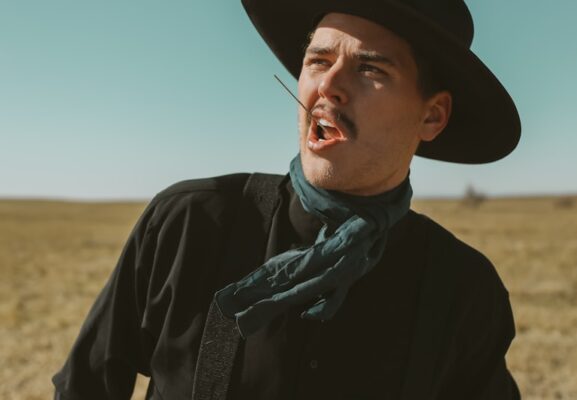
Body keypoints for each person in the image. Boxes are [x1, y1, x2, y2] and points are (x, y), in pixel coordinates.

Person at [53, 0, 522, 399]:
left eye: (370, 68)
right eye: (318, 61)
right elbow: (84, 387)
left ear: (433, 115)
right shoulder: (189, 223)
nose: (330, 86)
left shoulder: (463, 290)